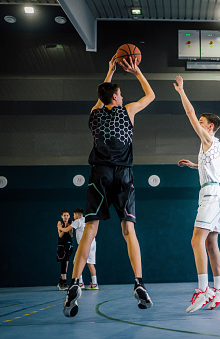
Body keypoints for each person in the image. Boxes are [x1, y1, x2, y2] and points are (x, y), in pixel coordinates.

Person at [63, 55, 155, 318]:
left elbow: (100, 97)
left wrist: (110, 71)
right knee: (129, 229)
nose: (123, 97)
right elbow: (151, 95)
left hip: (99, 175)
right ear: (115, 97)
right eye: (120, 94)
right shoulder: (129, 111)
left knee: (90, 229)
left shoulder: (94, 114)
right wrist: (136, 71)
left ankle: (74, 282)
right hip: (124, 175)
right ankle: (139, 283)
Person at [174, 75, 220, 313]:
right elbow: (219, 170)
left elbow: (189, 113)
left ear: (209, 127)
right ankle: (219, 287)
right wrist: (195, 166)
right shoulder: (214, 145)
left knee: (196, 239)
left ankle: (203, 288)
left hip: (211, 195)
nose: (198, 122)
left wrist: (181, 91)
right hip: (215, 192)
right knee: (210, 242)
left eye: (201, 121)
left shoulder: (208, 137)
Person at [57, 208, 98, 290]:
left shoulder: (78, 221)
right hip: (92, 243)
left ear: (76, 215)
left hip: (84, 244)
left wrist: (59, 227)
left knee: (77, 262)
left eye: (73, 215)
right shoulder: (87, 220)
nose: (72, 216)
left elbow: (66, 230)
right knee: (89, 263)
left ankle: (82, 283)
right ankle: (93, 283)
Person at [56, 210, 73, 291]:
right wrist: (64, 228)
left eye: (67, 215)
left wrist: (69, 228)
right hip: (62, 245)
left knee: (66, 263)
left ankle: (61, 281)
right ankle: (65, 283)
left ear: (69, 216)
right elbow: (60, 235)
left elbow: (71, 235)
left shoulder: (71, 222)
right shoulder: (60, 223)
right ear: (62, 216)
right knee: (63, 262)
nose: (66, 217)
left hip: (69, 245)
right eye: (64, 215)